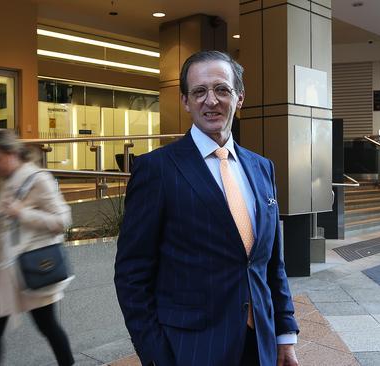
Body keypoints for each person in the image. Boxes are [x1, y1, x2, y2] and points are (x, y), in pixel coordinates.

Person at [114, 51, 299, 366]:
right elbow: (132, 274)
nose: (210, 100)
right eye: (199, 91)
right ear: (185, 101)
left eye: (221, 89)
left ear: (239, 98)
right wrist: (155, 354)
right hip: (191, 348)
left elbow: (271, 264)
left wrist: (284, 335)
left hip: (260, 344)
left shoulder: (262, 167)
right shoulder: (156, 170)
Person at [0, 130, 74, 366]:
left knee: (48, 326)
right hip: (6, 273)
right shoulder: (10, 181)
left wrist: (22, 213)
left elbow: (63, 220)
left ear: (12, 154)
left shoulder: (38, 179)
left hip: (32, 269)